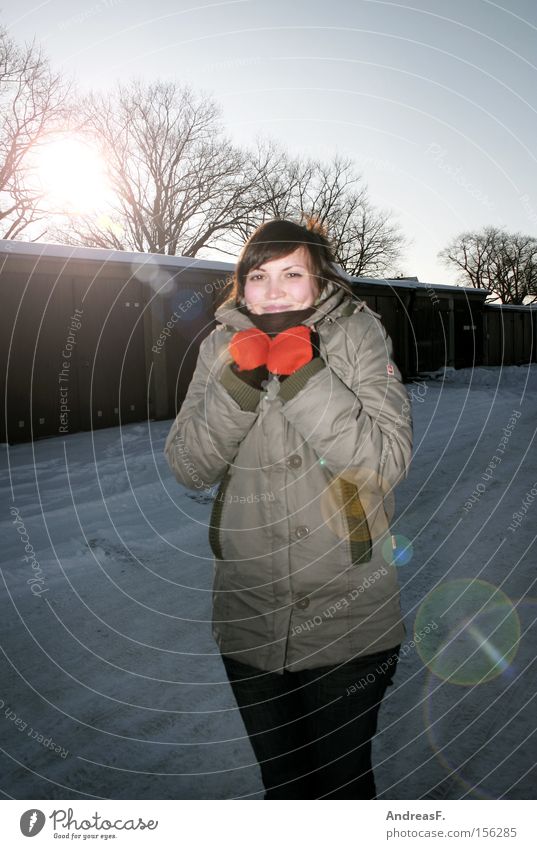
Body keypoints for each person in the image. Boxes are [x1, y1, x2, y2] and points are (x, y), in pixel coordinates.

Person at [164, 218, 413, 799]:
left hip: (350, 617)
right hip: (248, 613)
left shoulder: (357, 335)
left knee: (342, 788)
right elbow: (190, 466)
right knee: (283, 785)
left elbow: (385, 463)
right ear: (241, 286)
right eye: (258, 275)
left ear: (319, 279)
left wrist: (306, 376)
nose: (273, 290)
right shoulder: (218, 348)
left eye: (291, 273)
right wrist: (239, 383)